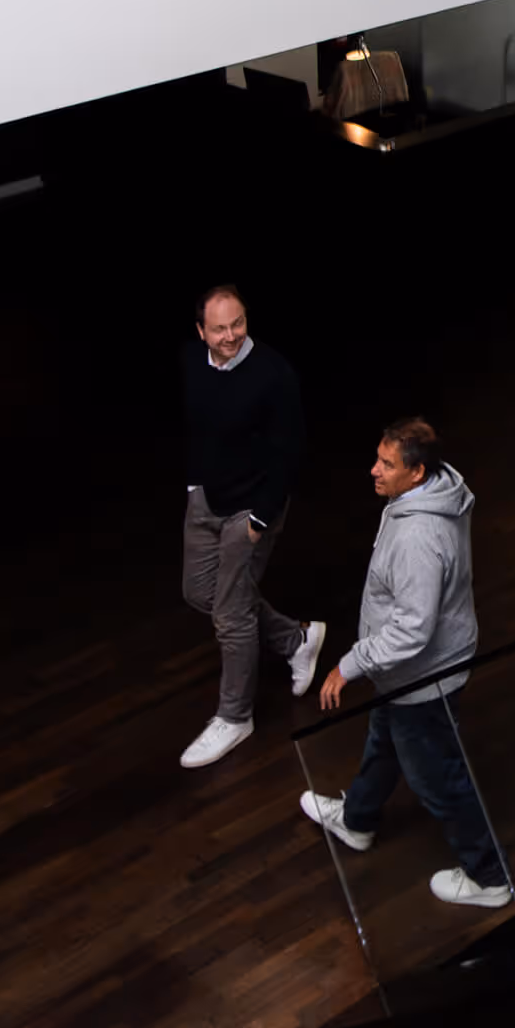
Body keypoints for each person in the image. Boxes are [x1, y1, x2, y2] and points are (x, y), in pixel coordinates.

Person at [297, 420, 511, 910]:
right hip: (408, 674)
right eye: (377, 458)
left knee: (438, 779)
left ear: (416, 473)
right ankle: (357, 822)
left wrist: (349, 665)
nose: (374, 470)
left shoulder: (419, 539)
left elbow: (414, 629)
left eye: (386, 464)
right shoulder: (431, 490)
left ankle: (489, 877)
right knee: (385, 738)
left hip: (423, 676)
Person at [177, 284, 323, 770]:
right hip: (207, 500)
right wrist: (195, 486)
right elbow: (197, 428)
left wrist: (261, 519)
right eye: (218, 328)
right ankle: (294, 639)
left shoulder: (272, 374)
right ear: (201, 331)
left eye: (237, 323)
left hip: (251, 511)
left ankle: (235, 717)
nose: (230, 335)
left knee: (231, 614)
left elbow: (289, 450)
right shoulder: (192, 364)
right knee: (201, 593)